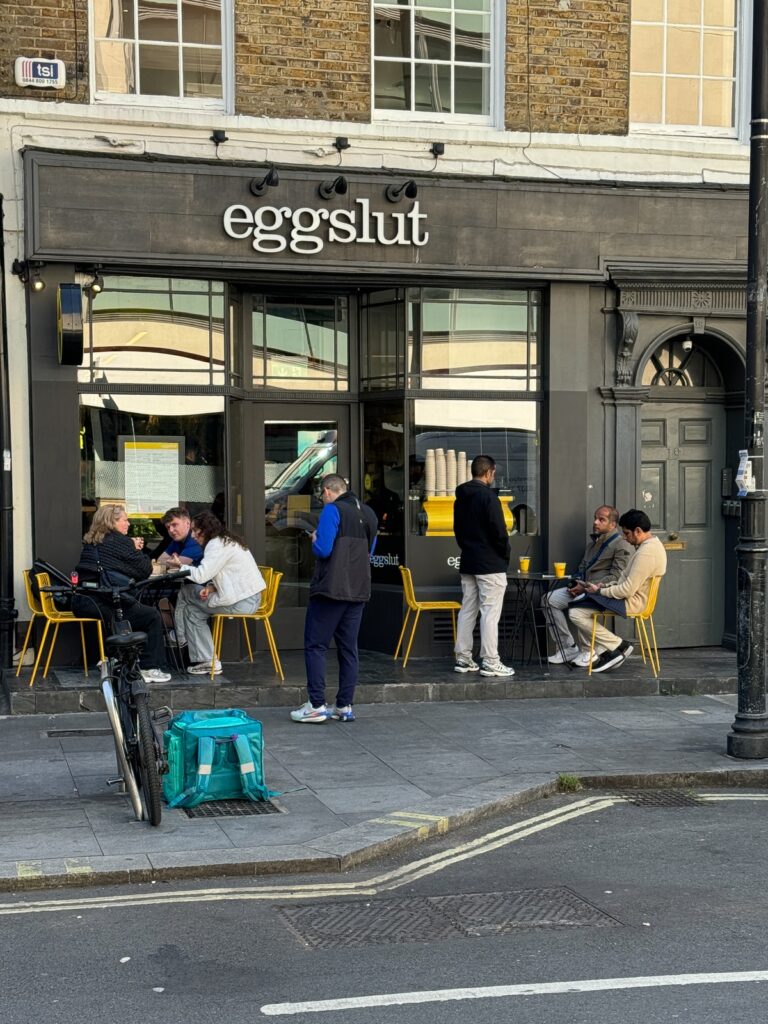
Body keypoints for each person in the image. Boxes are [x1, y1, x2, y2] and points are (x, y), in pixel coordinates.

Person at [291, 474, 378, 724]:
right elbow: (370, 552)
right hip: (359, 589)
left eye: (322, 495)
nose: (323, 498)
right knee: (349, 648)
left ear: (328, 491)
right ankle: (344, 706)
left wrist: (314, 539)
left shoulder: (332, 510)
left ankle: (317, 705)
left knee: (316, 646)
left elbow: (323, 550)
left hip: (331, 588)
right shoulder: (369, 514)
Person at [72, 505, 171, 683]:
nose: (128, 523)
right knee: (151, 616)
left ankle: (115, 659)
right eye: (125, 520)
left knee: (134, 612)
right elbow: (144, 569)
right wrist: (135, 548)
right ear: (112, 522)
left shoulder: (90, 541)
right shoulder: (121, 542)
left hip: (84, 602)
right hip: (105, 603)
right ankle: (149, 667)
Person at [568, 508, 668, 674]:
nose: (624, 537)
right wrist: (602, 587)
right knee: (580, 604)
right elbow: (624, 582)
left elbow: (627, 590)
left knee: (576, 612)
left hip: (632, 602)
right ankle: (609, 650)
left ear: (638, 531)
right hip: (629, 598)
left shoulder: (647, 553)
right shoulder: (650, 546)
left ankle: (617, 646)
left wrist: (600, 592)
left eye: (627, 533)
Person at [168, 510, 266, 675]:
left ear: (205, 530)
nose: (192, 535)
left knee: (185, 591)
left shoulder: (215, 545)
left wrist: (180, 566)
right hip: (249, 598)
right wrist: (212, 587)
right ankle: (208, 661)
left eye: (195, 530)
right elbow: (230, 574)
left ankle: (179, 637)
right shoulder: (226, 540)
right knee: (192, 611)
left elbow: (200, 576)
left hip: (242, 602)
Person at [542, 505, 633, 666]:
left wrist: (587, 588)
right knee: (548, 600)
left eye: (601, 519)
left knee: (580, 604)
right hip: (583, 588)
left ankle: (589, 651)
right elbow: (582, 568)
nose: (595, 522)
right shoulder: (592, 544)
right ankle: (568, 647)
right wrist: (575, 585)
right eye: (595, 518)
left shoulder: (622, 545)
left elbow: (617, 576)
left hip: (602, 593)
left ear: (613, 524)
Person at [452, 454, 514, 678]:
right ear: (489, 472)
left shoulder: (461, 497)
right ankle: (490, 660)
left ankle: (463, 657)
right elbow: (499, 532)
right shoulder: (489, 497)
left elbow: (457, 530)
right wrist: (505, 554)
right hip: (490, 563)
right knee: (490, 612)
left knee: (468, 609)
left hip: (469, 559)